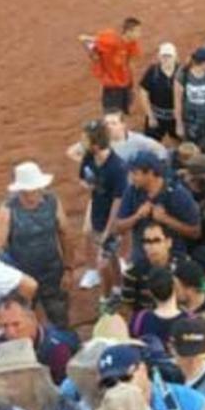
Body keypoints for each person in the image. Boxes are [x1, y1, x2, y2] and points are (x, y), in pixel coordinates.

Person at [0, 161, 71, 329]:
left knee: (60, 318)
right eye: (28, 191)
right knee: (23, 322)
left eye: (35, 189)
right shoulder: (7, 209)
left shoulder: (53, 202)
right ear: (20, 190)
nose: (32, 195)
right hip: (22, 279)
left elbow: (64, 234)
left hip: (52, 273)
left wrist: (69, 268)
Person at [115, 151, 201, 261]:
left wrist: (166, 219)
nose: (131, 177)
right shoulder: (132, 191)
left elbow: (195, 232)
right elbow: (118, 227)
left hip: (171, 259)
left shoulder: (177, 194)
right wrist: (137, 216)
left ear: (150, 173)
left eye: (135, 173)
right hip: (141, 258)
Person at [76, 118, 128, 293]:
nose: (82, 142)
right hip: (97, 213)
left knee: (103, 263)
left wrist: (109, 230)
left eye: (85, 139)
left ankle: (107, 296)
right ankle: (119, 288)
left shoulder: (117, 167)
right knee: (111, 259)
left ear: (96, 144)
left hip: (113, 219)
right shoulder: (89, 157)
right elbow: (82, 177)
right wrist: (89, 185)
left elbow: (118, 201)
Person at [0, 298, 75, 385]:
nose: (10, 332)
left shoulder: (57, 349)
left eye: (16, 324)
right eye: (4, 326)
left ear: (32, 319)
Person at [78, 16, 142, 113]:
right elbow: (83, 38)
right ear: (128, 31)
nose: (140, 34)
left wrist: (130, 84)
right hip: (112, 86)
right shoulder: (110, 41)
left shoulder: (132, 44)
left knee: (124, 113)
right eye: (137, 31)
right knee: (112, 116)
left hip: (126, 85)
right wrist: (94, 55)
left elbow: (129, 62)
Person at [175, 47, 205, 154]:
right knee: (192, 152)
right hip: (190, 123)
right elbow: (177, 102)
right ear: (204, 63)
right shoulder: (183, 75)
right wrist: (179, 124)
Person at [138, 42, 180, 141]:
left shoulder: (182, 72)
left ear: (175, 56)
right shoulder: (152, 71)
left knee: (179, 142)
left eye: (169, 56)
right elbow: (143, 93)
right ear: (159, 57)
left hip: (176, 117)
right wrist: (150, 116)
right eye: (163, 56)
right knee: (151, 144)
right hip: (156, 116)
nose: (166, 59)